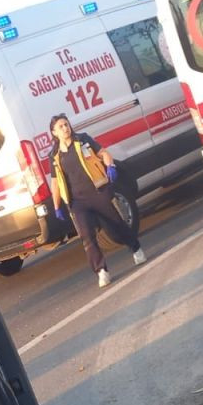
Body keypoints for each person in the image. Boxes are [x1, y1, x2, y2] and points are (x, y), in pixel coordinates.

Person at [48, 114, 147, 287]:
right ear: (54, 132)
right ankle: (101, 271)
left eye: (66, 124)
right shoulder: (54, 156)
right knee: (87, 237)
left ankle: (136, 248)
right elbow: (55, 182)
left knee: (115, 226)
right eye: (61, 127)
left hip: (97, 192)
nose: (65, 128)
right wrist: (57, 206)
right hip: (77, 202)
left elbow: (103, 153)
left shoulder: (83, 140)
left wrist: (111, 166)